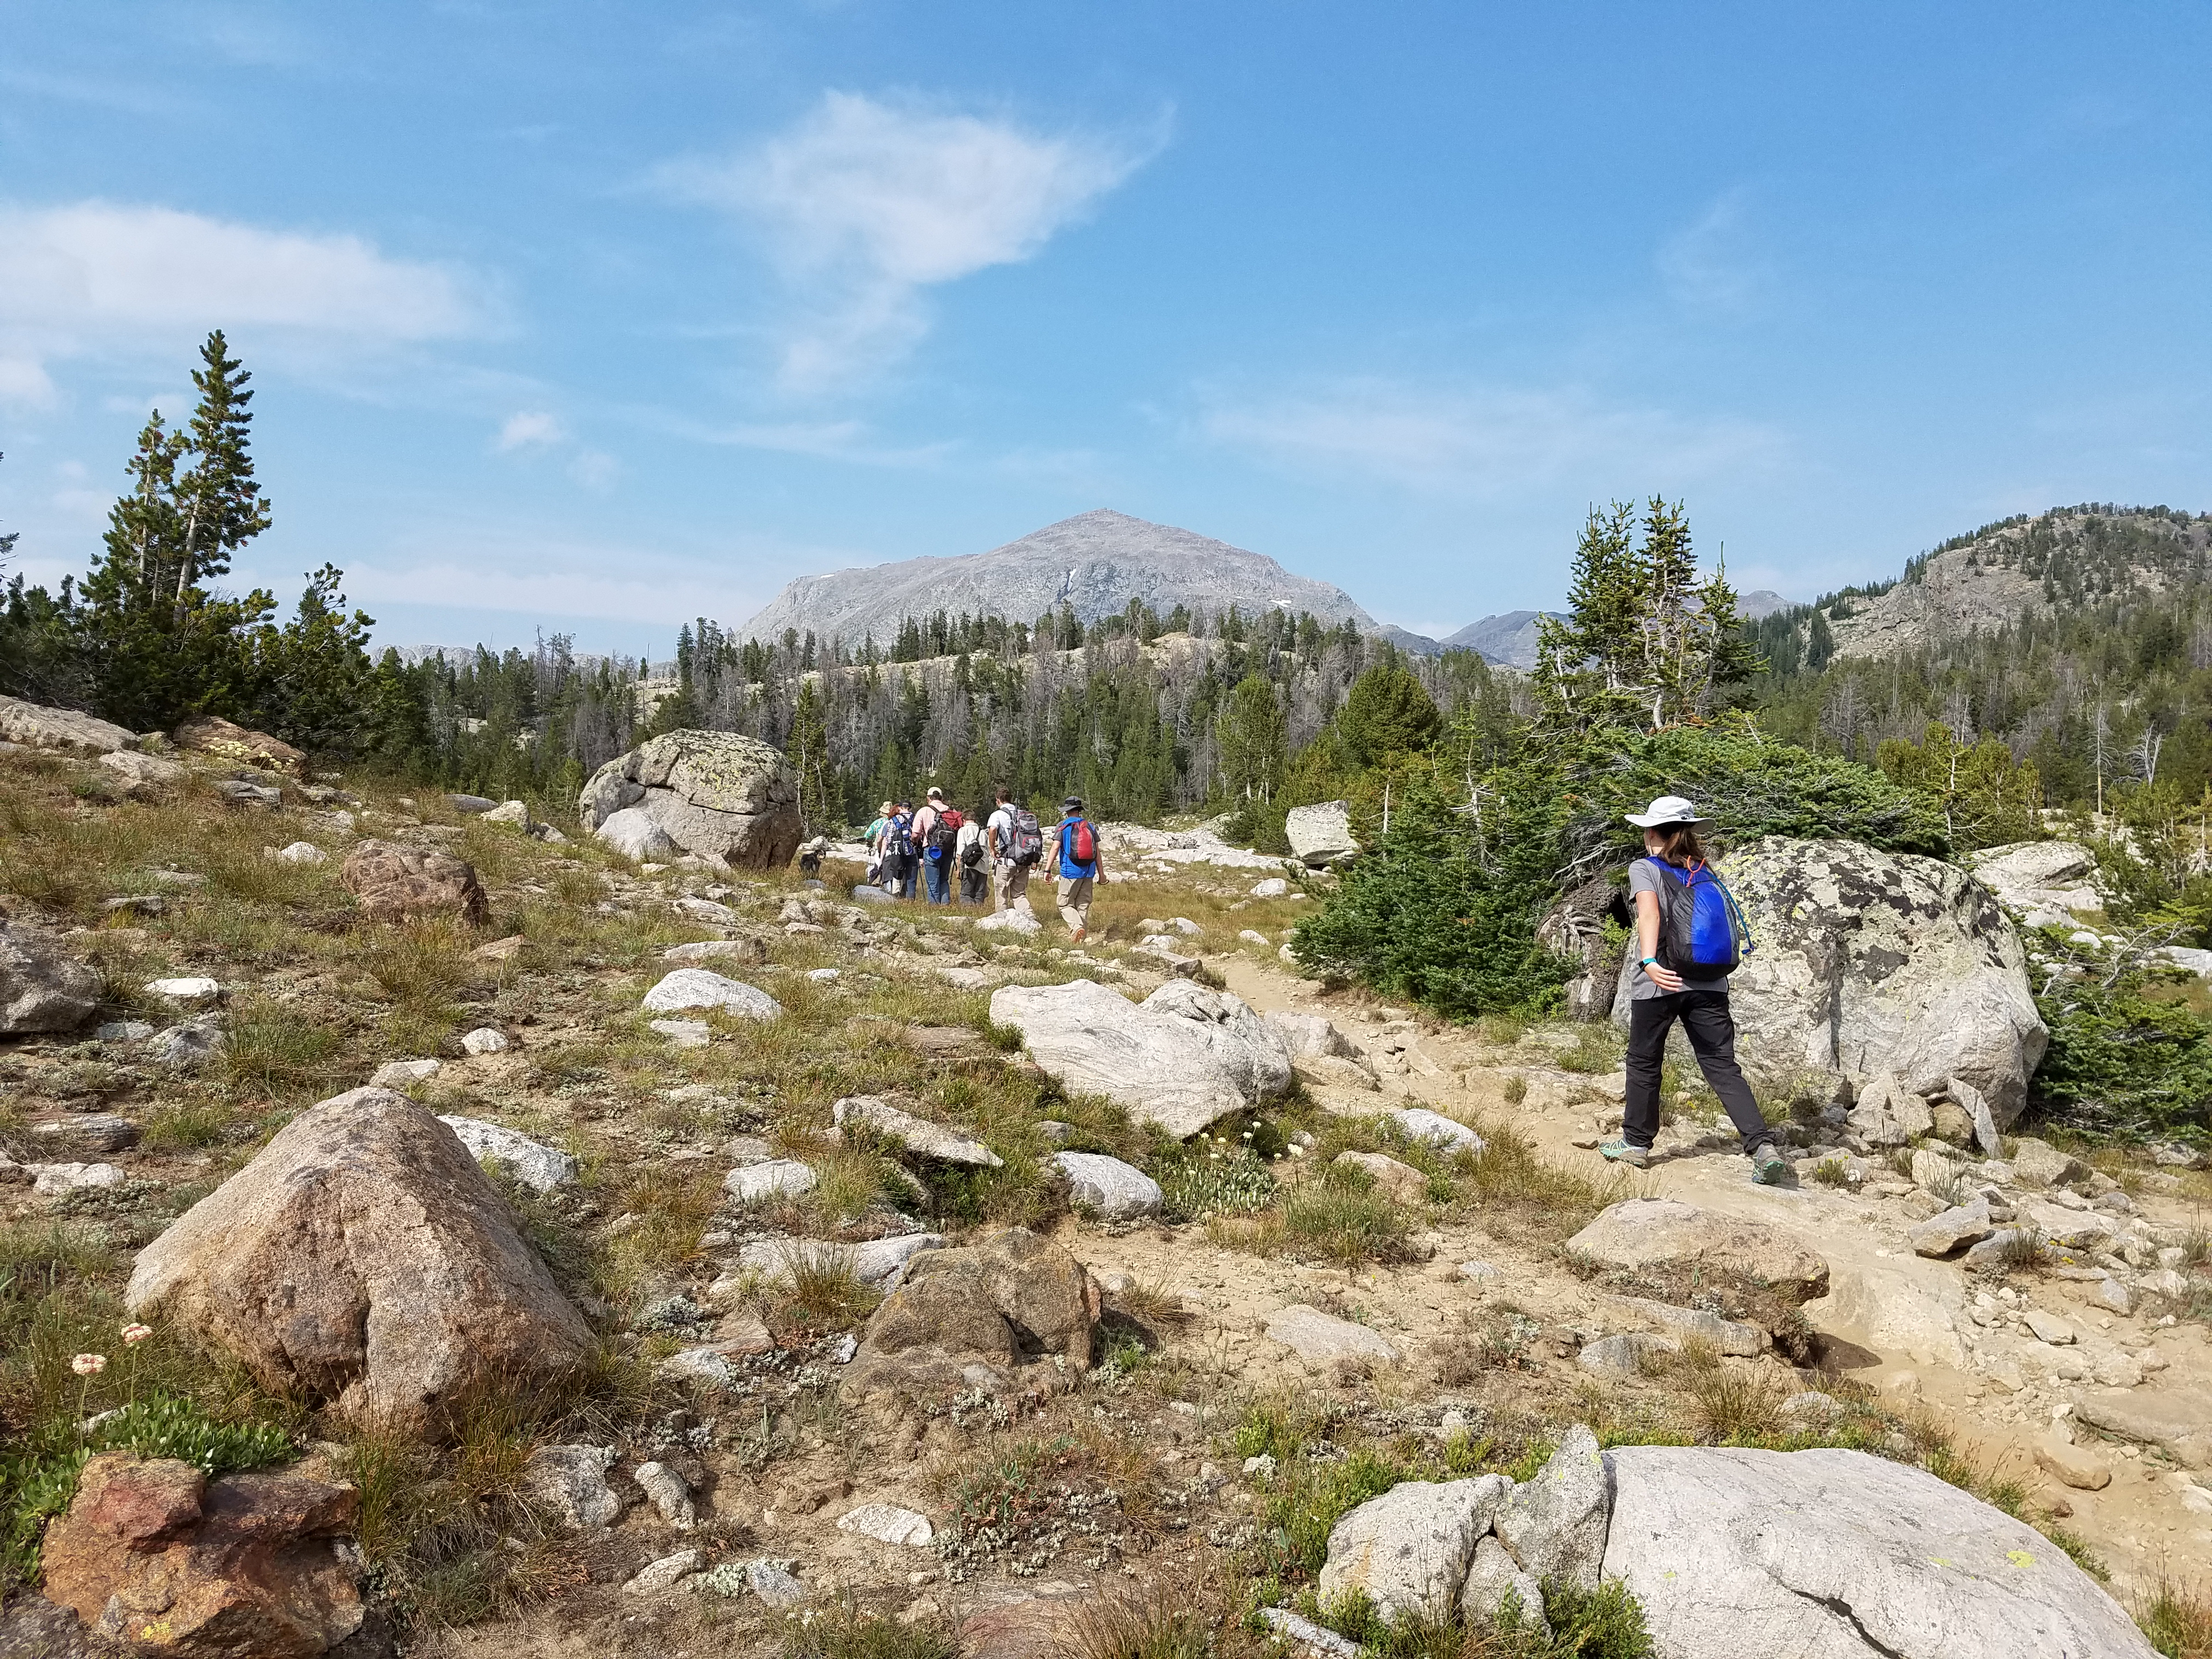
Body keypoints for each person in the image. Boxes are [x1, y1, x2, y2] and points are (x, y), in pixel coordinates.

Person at [1600, 795, 1787, 1185]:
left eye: (1647, 829)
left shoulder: (1644, 868)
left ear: (1655, 833)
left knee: (1645, 1061)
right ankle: (1762, 1146)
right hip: (1710, 982)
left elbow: (1649, 913)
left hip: (1661, 982)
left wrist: (1650, 962)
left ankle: (1636, 1143)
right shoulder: (1705, 870)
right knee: (1722, 1066)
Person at [1053, 795, 1102, 942]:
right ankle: (1080, 939)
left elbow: (1055, 848)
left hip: (1071, 871)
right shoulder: (1090, 826)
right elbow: (1098, 853)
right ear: (1080, 810)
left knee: (1064, 903)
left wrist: (1047, 870)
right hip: (1089, 871)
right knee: (1083, 904)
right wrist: (1102, 874)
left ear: (1067, 811)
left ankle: (1076, 928)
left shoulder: (1063, 826)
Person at [986, 786, 1036, 915]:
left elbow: (992, 830)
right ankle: (1029, 915)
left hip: (1006, 860)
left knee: (1002, 892)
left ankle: (1001, 919)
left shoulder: (997, 815)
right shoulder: (1022, 814)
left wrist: (992, 849)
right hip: (1024, 859)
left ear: (998, 800)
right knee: (1019, 893)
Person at [913, 787, 955, 905]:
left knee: (933, 882)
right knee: (944, 880)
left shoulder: (924, 811)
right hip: (947, 850)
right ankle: (945, 906)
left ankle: (934, 908)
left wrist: (914, 842)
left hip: (931, 850)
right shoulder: (950, 811)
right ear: (941, 798)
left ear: (928, 798)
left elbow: (915, 833)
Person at [955, 805, 988, 905]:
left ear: (964, 820)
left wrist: (959, 869)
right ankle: (979, 913)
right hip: (984, 866)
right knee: (979, 894)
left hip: (969, 866)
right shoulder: (983, 832)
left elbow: (961, 852)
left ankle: (968, 914)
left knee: (966, 894)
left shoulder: (963, 831)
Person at [884, 800, 917, 899]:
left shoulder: (893, 820)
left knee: (897, 874)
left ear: (899, 808)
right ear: (910, 808)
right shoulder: (915, 819)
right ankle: (910, 899)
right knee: (911, 877)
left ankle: (896, 897)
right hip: (912, 851)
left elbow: (889, 839)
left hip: (897, 851)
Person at [863, 799, 893, 885]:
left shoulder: (877, 823)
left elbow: (868, 836)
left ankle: (876, 882)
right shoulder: (894, 822)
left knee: (878, 866)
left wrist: (870, 843)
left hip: (879, 848)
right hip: (892, 850)